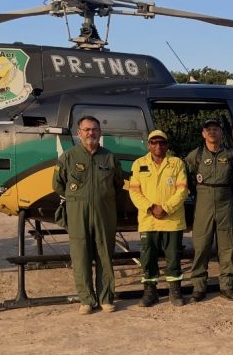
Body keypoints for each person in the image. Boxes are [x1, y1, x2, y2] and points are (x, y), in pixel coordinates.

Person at [52, 115, 124, 315]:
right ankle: (86, 300)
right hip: (77, 213)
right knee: (80, 256)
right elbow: (57, 185)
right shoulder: (68, 157)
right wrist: (77, 199)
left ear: (100, 133)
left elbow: (118, 183)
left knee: (104, 255)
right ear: (79, 133)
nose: (90, 133)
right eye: (86, 130)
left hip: (104, 213)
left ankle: (106, 298)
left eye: (94, 129)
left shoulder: (109, 157)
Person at [128, 130, 189, 307]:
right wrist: (151, 207)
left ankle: (175, 291)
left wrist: (166, 208)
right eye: (154, 142)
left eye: (162, 143)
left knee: (173, 258)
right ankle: (150, 292)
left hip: (172, 221)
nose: (158, 146)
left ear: (167, 145)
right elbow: (134, 191)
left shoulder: (176, 163)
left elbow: (182, 189)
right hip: (149, 221)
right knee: (148, 258)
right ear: (148, 145)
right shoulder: (139, 164)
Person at [185, 119, 233, 302]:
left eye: (215, 129)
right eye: (208, 129)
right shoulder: (196, 155)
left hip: (225, 201)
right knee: (201, 246)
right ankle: (199, 287)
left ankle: (227, 286)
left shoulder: (231, 155)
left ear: (221, 133)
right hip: (203, 202)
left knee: (227, 246)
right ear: (203, 134)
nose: (212, 132)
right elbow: (185, 175)